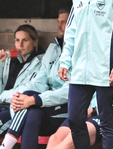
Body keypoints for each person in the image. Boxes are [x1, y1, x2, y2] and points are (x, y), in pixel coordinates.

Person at [58, 0, 113, 148]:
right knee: (74, 119)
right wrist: (65, 60)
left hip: (107, 69)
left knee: (107, 122)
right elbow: (71, 30)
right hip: (80, 70)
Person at [0, 9, 70, 149]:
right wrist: (24, 98)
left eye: (64, 22)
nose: (59, 26)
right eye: (58, 22)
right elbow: (39, 82)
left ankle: (6, 145)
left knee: (29, 111)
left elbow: (70, 91)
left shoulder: (79, 51)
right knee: (30, 108)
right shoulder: (53, 48)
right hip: (41, 104)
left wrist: (34, 99)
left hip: (66, 107)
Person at [0, 24, 45, 137]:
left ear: (35, 42)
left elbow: (26, 90)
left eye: (25, 40)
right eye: (17, 40)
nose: (20, 45)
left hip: (15, 110)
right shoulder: (10, 61)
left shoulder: (41, 62)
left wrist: (3, 95)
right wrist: (0, 64)